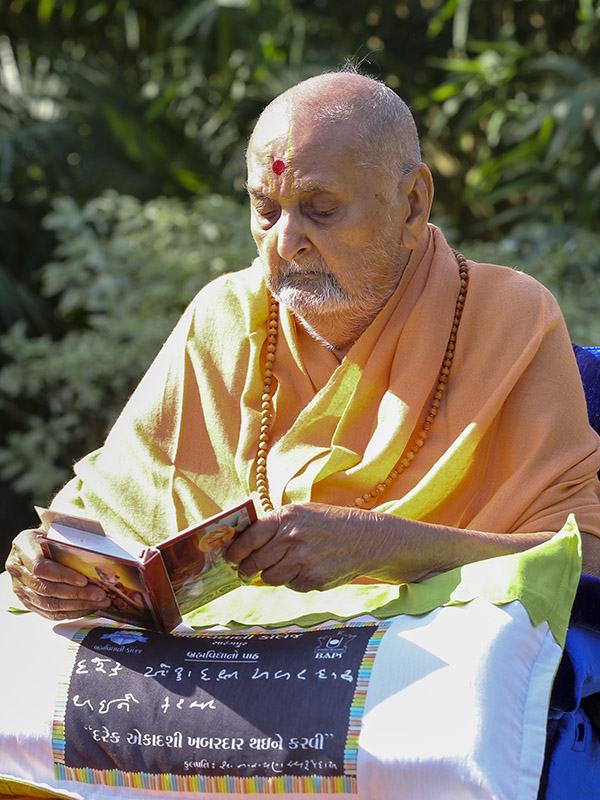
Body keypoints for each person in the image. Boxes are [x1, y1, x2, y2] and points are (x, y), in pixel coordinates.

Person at [5, 70, 600, 622]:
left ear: (413, 204)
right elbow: (106, 518)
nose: (286, 243)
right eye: (265, 209)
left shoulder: (508, 318)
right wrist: (49, 564)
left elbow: (584, 560)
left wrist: (387, 546)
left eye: (321, 210)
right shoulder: (226, 316)